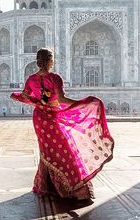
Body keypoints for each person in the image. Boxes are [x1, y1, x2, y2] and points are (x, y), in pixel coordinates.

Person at [11, 47, 114, 201]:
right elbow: (61, 99)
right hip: (52, 116)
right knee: (64, 148)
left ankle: (47, 186)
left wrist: (37, 102)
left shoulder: (31, 79)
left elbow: (25, 97)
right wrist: (81, 103)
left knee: (48, 151)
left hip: (40, 118)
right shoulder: (54, 78)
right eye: (52, 59)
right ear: (50, 61)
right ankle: (72, 187)